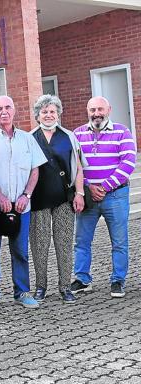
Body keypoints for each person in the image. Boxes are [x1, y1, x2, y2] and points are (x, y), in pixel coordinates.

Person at [0, 95, 47, 310]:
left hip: (22, 206)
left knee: (20, 251)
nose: (3, 112)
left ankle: (22, 291)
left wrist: (27, 195)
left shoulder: (27, 139)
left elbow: (35, 170)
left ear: (14, 110)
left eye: (7, 107)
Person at [71, 96, 136, 298]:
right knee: (81, 241)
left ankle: (118, 280)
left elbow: (128, 163)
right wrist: (89, 187)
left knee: (119, 241)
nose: (96, 113)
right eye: (92, 110)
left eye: (100, 109)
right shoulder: (78, 134)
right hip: (88, 197)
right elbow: (74, 165)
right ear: (87, 111)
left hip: (115, 195)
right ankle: (82, 279)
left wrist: (105, 186)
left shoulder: (122, 132)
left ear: (109, 109)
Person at [28, 95, 86, 304]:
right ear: (38, 115)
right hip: (38, 200)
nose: (48, 115)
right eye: (44, 112)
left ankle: (65, 287)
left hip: (64, 199)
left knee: (64, 243)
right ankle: (40, 287)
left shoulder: (69, 136)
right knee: (39, 244)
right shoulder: (30, 137)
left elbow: (79, 167)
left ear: (58, 114)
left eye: (52, 111)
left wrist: (79, 193)